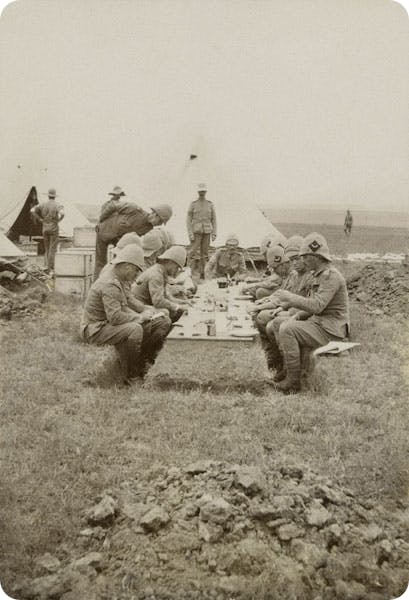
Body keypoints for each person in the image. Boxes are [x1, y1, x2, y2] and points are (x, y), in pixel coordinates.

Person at [264, 233, 350, 393]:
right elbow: (311, 305)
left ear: (315, 256)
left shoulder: (331, 277)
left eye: (305, 257)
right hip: (321, 325)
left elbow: (317, 306)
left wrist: (290, 298)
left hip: (331, 330)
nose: (302, 260)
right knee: (278, 323)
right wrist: (296, 316)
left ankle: (293, 382)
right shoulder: (318, 275)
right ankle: (287, 369)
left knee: (287, 329)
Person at [80, 245, 172, 385]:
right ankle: (132, 375)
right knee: (135, 329)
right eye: (136, 271)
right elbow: (115, 317)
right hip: (95, 329)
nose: (136, 275)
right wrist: (140, 317)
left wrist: (148, 310)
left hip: (107, 325)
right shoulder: (110, 283)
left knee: (161, 320)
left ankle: (144, 361)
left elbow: (128, 301)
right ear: (128, 266)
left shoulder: (119, 278)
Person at [94, 201, 173, 280]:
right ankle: (97, 284)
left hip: (118, 241)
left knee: (119, 261)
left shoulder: (148, 229)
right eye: (160, 221)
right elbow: (112, 206)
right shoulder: (133, 209)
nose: (160, 224)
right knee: (100, 263)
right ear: (155, 214)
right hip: (103, 232)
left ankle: (112, 282)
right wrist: (101, 220)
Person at [133, 246, 190, 322]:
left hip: (145, 305)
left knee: (175, 307)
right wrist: (178, 306)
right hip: (138, 307)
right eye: (177, 267)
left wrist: (183, 302)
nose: (177, 271)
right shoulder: (156, 274)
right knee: (166, 313)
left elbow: (166, 296)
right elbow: (158, 302)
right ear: (170, 262)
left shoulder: (161, 271)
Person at [186, 183, 217, 280]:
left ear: (206, 192)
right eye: (200, 191)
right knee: (192, 252)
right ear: (198, 192)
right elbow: (188, 219)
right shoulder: (193, 204)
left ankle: (203, 273)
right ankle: (188, 273)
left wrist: (214, 232)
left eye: (203, 191)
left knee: (205, 254)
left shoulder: (210, 204)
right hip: (196, 232)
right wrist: (190, 233)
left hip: (207, 231)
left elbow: (214, 219)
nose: (202, 193)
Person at [31, 188, 64, 273]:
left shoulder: (42, 204)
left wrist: (40, 219)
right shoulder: (57, 205)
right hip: (54, 228)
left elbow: (32, 210)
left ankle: (46, 266)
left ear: (48, 195)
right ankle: (51, 268)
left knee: (47, 248)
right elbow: (62, 213)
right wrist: (59, 220)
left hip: (45, 227)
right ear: (55, 196)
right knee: (52, 248)